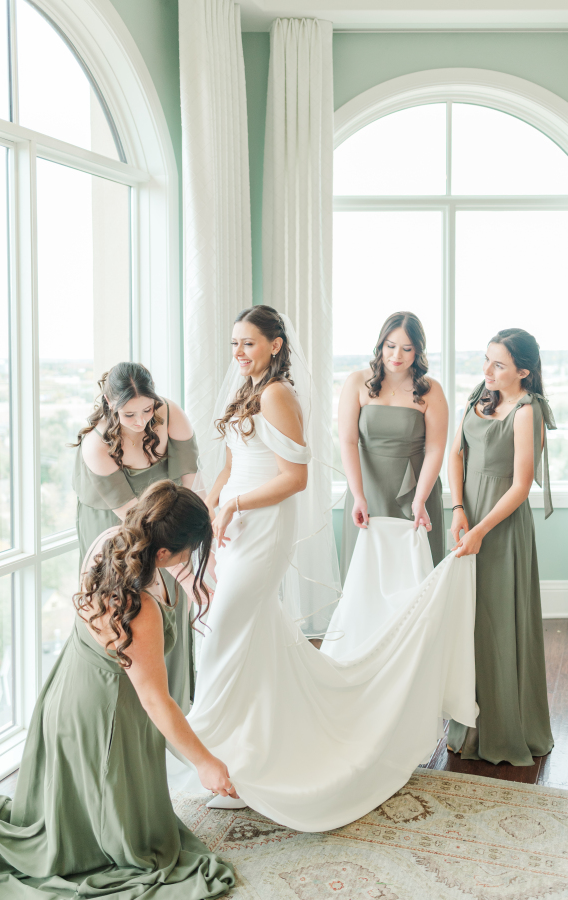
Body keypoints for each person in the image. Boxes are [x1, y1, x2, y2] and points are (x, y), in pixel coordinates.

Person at [186, 305, 477, 832]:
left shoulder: (278, 394)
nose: (238, 353)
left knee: (224, 631)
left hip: (263, 525)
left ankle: (205, 746)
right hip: (234, 527)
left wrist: (235, 505)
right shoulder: (250, 389)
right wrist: (212, 505)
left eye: (248, 343)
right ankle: (247, 752)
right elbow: (232, 462)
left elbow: (296, 477)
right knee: (248, 635)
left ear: (274, 345)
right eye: (234, 343)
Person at [0, 480, 235, 899]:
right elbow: (156, 700)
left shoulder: (113, 543)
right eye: (188, 550)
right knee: (125, 848)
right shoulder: (138, 609)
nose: (190, 558)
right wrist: (205, 763)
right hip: (102, 715)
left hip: (67, 693)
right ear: (163, 553)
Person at [447, 328, 555, 766]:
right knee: (469, 621)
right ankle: (468, 728)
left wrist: (481, 530)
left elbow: (521, 486)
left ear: (523, 372)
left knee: (497, 622)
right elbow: (457, 454)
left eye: (498, 364)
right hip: (468, 516)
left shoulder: (527, 412)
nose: (487, 370)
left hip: (500, 526)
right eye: (486, 359)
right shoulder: (481, 393)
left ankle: (506, 730)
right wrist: (458, 509)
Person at [72, 362, 200, 711]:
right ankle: (132, 710)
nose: (141, 421)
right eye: (129, 414)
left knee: (173, 603)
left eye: (147, 409)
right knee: (128, 609)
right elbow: (135, 523)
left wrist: (193, 547)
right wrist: (189, 578)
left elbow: (190, 486)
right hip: (118, 528)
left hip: (166, 519)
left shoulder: (170, 414)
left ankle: (174, 708)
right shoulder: (96, 445)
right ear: (109, 403)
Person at [338, 311, 447, 581]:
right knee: (366, 574)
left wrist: (420, 499)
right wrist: (358, 495)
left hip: (415, 490)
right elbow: (348, 441)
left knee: (414, 576)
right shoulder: (356, 382)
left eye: (407, 348)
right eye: (390, 346)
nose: (397, 355)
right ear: (380, 345)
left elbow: (435, 449)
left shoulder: (431, 390)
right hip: (367, 488)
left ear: (417, 351)